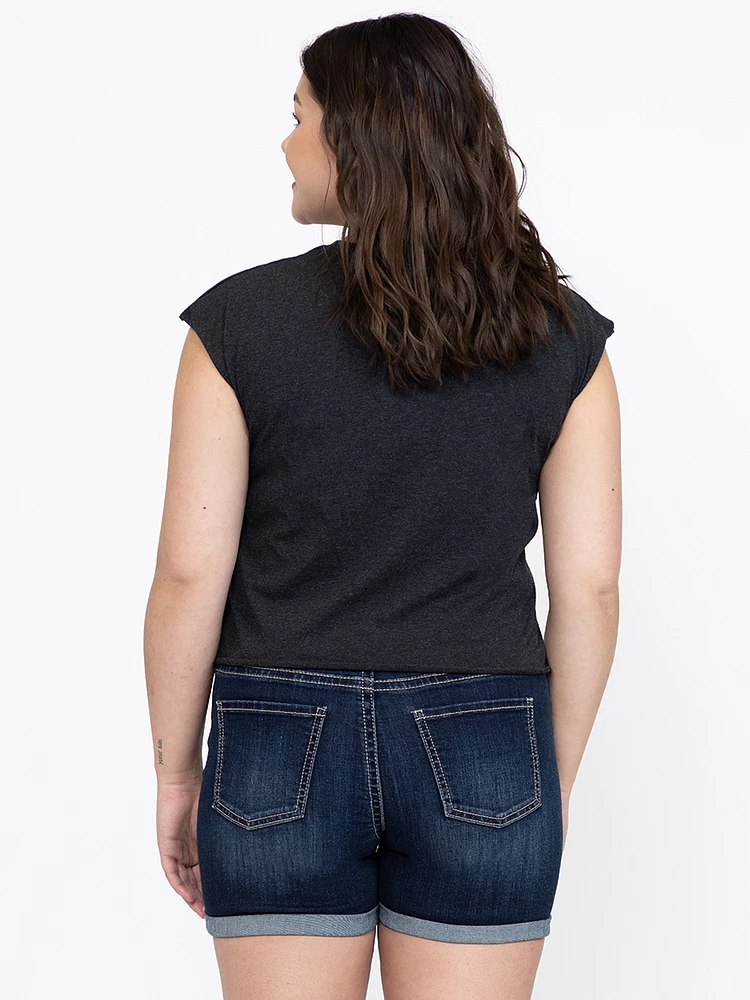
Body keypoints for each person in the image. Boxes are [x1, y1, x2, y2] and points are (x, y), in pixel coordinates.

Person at [144, 12, 621, 1000]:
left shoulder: (236, 325)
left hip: (276, 737)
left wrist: (176, 773)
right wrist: (550, 775)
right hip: (488, 735)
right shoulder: (563, 335)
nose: (285, 143)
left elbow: (190, 573)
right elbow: (591, 588)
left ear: (356, 137)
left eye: (299, 116)